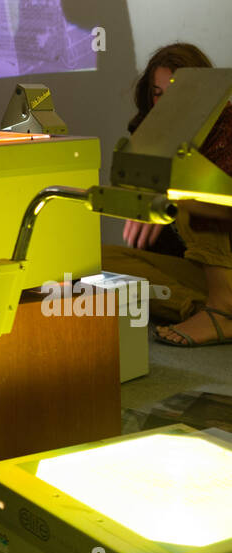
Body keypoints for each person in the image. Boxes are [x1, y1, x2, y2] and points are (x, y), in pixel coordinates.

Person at [101, 42, 232, 346]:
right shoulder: (151, 138)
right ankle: (204, 308)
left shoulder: (227, 124)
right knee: (98, 263)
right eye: (159, 94)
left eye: (177, 93)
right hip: (197, 274)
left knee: (194, 201)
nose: (166, 103)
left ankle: (222, 309)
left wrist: (174, 199)